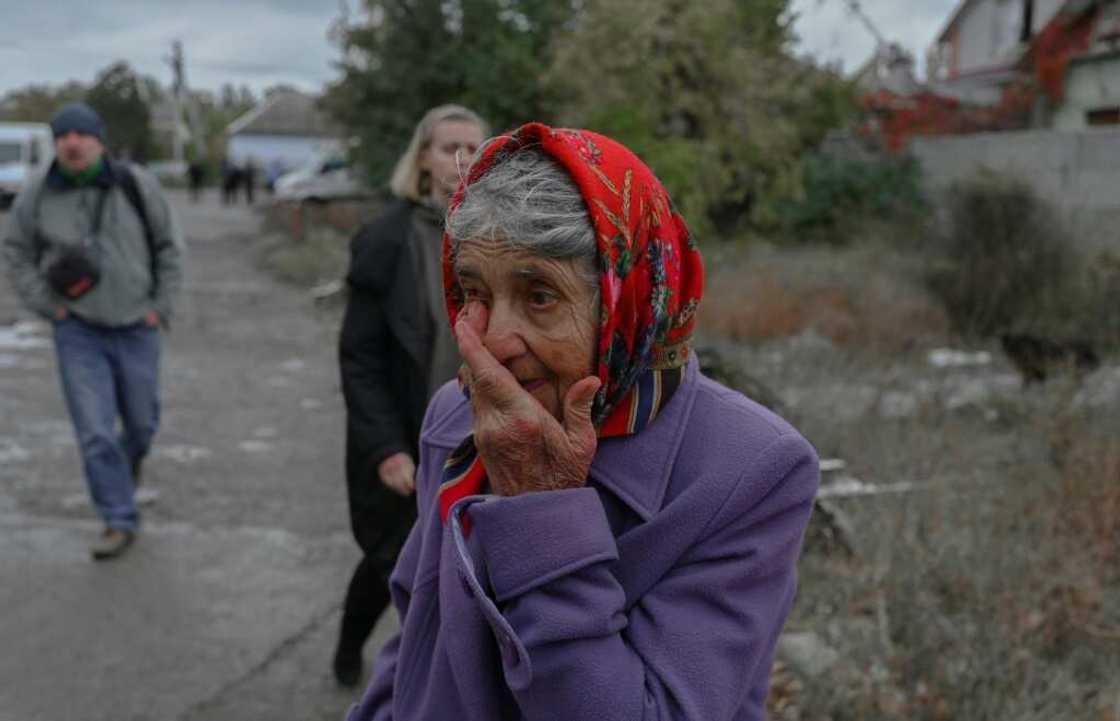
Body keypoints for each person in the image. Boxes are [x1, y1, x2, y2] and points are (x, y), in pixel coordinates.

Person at [345, 122, 820, 721]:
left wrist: (539, 507)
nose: (493, 340)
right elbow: (419, 635)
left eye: (540, 294)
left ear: (629, 299)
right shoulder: (457, 414)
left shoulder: (752, 470)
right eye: (473, 292)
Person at [334, 104, 488, 686]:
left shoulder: (496, 233)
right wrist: (387, 449)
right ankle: (353, 650)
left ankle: (436, 677)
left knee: (459, 563)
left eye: (474, 147)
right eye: (449, 147)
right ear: (422, 158)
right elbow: (361, 358)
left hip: (478, 434)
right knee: (394, 560)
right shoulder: (387, 239)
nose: (462, 160)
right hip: (406, 433)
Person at [1, 102, 184, 560]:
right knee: (95, 431)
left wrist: (159, 308)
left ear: (99, 141)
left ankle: (126, 468)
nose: (72, 142)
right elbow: (16, 251)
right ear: (55, 143)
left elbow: (169, 246)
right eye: (63, 135)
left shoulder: (135, 184)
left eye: (81, 134)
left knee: (141, 423)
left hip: (137, 326)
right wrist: (48, 306)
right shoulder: (38, 193)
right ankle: (117, 519)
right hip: (78, 331)